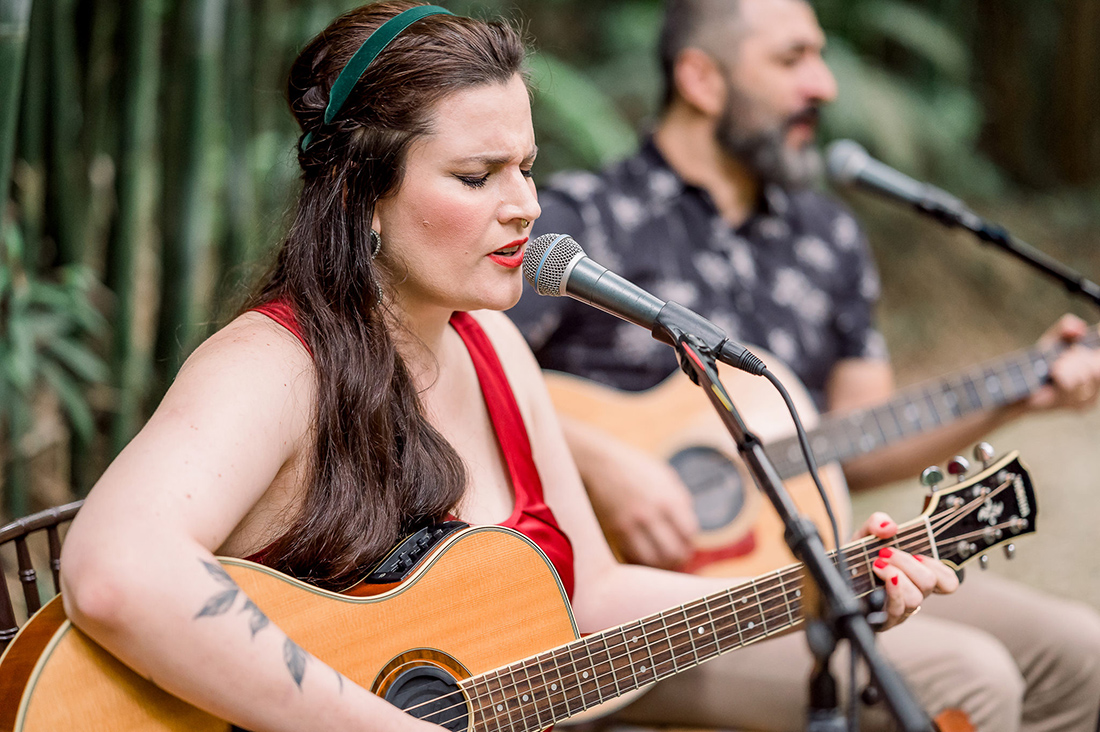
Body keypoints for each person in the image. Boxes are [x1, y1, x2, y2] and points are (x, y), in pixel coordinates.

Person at [56, 3, 952, 732]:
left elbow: (591, 596)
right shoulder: (273, 365)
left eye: (527, 167)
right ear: (361, 194)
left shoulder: (493, 351)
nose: (525, 206)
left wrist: (815, 592)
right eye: (477, 176)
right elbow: (116, 569)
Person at [508, 0, 1100, 730]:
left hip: (790, 566)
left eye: (820, 57)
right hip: (626, 604)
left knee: (1082, 652)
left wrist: (1019, 391)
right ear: (701, 78)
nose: (824, 84)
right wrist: (596, 461)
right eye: (792, 59)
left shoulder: (829, 236)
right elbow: (459, 371)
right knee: (969, 679)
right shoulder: (581, 219)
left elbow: (852, 440)